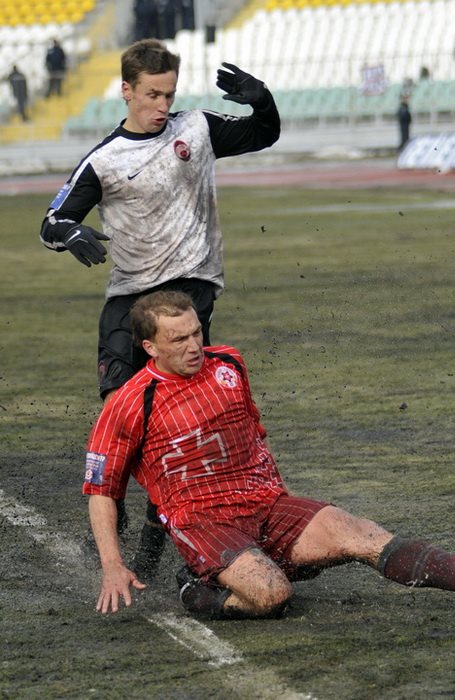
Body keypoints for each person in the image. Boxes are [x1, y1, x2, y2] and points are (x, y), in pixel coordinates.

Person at [83, 291, 455, 619]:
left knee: (359, 532)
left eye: (197, 332)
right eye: (179, 339)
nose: (194, 345)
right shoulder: (129, 403)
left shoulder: (229, 364)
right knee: (272, 595)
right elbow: (101, 490)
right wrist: (112, 565)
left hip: (264, 502)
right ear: (150, 348)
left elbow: (252, 434)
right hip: (203, 521)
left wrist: (285, 499)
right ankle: (196, 589)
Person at [40, 39, 280, 579]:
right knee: (119, 411)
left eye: (168, 94)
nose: (162, 106)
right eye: (151, 95)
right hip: (130, 298)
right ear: (126, 91)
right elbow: (51, 221)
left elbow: (264, 134)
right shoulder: (105, 160)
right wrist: (71, 233)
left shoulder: (196, 128)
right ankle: (119, 502)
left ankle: (156, 528)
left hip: (190, 292)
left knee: (174, 419)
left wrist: (261, 100)